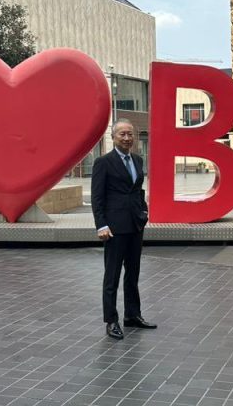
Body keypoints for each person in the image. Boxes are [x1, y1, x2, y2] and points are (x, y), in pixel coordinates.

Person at [91, 119, 155, 340]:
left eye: (130, 134)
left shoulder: (137, 160)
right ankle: (111, 321)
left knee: (133, 274)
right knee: (112, 276)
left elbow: (137, 191)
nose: (127, 138)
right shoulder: (103, 162)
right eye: (122, 135)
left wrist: (144, 212)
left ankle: (132, 315)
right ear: (114, 137)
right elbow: (97, 198)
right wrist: (101, 224)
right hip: (114, 228)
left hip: (135, 226)